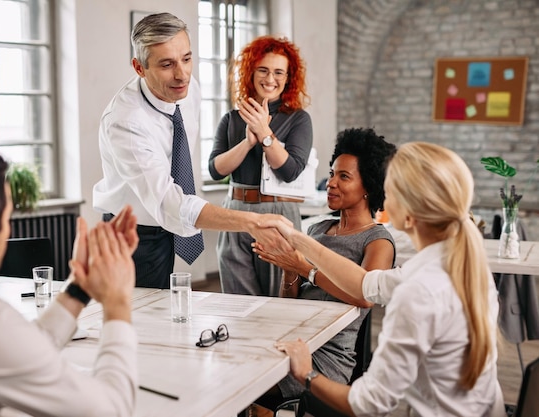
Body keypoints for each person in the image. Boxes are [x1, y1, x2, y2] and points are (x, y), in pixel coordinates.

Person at [265, 142, 504, 416]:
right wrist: (297, 240)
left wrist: (306, 373)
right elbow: (364, 284)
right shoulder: (464, 265)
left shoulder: (416, 292)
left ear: (408, 215)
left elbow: (368, 404)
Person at [0, 143, 140, 416]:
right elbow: (112, 410)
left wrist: (80, 288)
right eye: (8, 218)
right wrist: (117, 301)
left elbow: (19, 349)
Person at [93, 12, 290, 289]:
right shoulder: (125, 122)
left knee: (164, 314)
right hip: (128, 236)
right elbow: (169, 202)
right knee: (134, 324)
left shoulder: (188, 89)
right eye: (167, 64)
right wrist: (251, 221)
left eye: (187, 59)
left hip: (164, 229)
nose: (182, 73)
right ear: (139, 67)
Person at [250, 127, 396, 410]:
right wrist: (289, 269)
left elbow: (365, 296)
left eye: (344, 177)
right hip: (293, 338)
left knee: (246, 384)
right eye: (331, 173)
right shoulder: (318, 228)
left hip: (327, 357)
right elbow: (290, 303)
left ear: (369, 186)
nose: (330, 183)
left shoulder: (377, 241)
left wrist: (303, 268)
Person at [208, 35, 313, 297]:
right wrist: (246, 142)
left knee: (277, 297)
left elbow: (289, 171)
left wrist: (265, 134)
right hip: (235, 211)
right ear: (251, 72)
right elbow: (215, 170)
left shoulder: (298, 119)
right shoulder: (232, 118)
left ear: (288, 78)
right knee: (237, 302)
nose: (270, 78)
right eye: (263, 70)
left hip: (278, 212)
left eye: (279, 72)